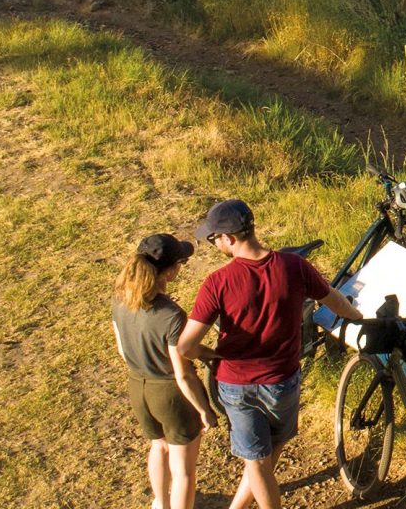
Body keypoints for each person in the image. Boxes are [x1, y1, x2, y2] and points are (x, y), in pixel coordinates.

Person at [178, 199, 364, 509]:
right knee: (268, 453)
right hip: (282, 381)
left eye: (214, 239)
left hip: (236, 385)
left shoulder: (217, 283)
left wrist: (207, 354)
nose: (214, 244)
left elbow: (185, 346)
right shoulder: (295, 266)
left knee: (257, 463)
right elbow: (335, 301)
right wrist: (358, 317)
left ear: (229, 238)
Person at [112, 233, 218, 509]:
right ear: (169, 272)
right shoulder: (171, 315)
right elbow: (181, 371)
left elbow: (122, 348)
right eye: (180, 263)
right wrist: (204, 408)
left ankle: (160, 502)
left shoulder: (121, 300)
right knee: (184, 471)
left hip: (138, 385)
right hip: (170, 395)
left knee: (158, 446)